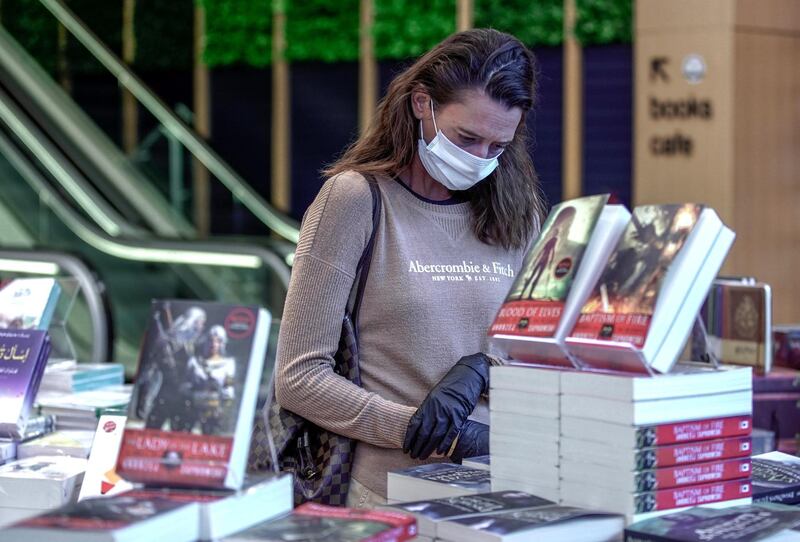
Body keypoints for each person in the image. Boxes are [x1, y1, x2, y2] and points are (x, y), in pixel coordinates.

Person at [274, 28, 545, 507]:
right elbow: (299, 378)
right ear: (423, 103)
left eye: (497, 146)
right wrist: (424, 432)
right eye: (467, 137)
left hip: (504, 483)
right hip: (385, 495)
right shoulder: (355, 200)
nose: (481, 158)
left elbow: (540, 357)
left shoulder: (518, 214)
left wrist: (486, 370)